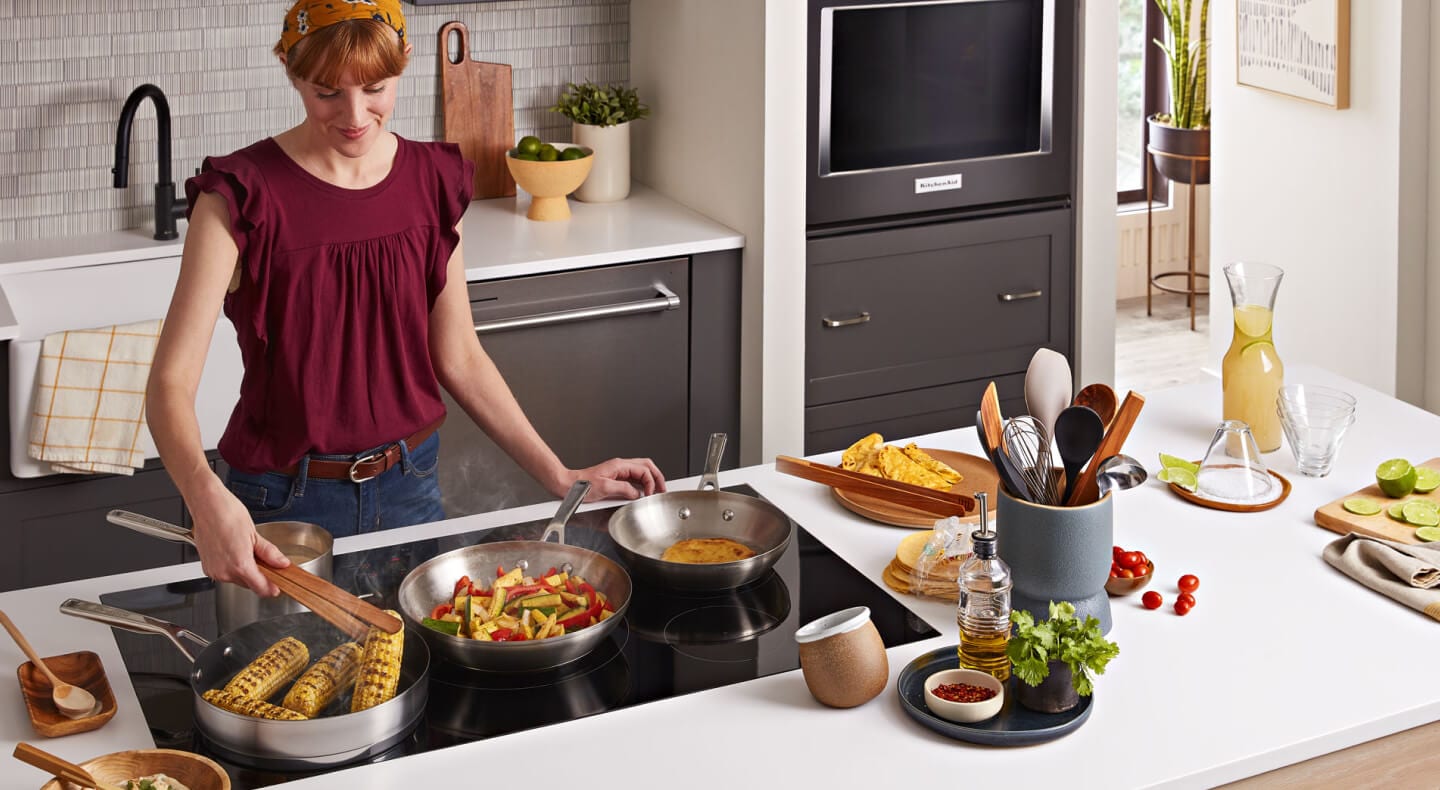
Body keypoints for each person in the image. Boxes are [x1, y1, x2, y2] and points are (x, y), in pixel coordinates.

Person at [146, 0, 665, 597]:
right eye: (326, 93)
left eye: (375, 89)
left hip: (411, 489)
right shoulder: (238, 195)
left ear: (404, 64)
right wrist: (204, 494)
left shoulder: (433, 180)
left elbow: (459, 356)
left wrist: (562, 476)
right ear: (290, 70)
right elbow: (169, 385)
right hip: (281, 503)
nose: (354, 115)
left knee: (416, 656)